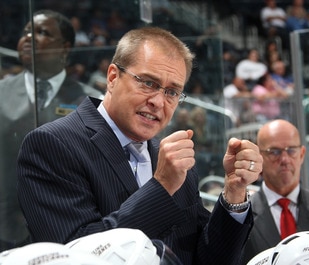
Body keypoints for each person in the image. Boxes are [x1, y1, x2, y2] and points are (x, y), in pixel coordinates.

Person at [17, 27, 263, 265]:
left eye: (172, 92)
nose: (158, 101)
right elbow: (79, 255)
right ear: (113, 77)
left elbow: (209, 259)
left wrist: (233, 192)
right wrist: (162, 186)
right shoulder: (51, 144)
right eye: (148, 83)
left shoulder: (174, 161)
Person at [0, 9, 103, 252]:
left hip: (64, 228)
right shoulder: (1, 91)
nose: (29, 38)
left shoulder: (88, 101)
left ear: (65, 47)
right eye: (26, 32)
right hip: (4, 227)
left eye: (42, 32)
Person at [241, 119, 309, 264]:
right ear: (260, 157)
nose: (284, 159)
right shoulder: (239, 220)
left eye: (291, 150)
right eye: (274, 152)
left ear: (302, 154)